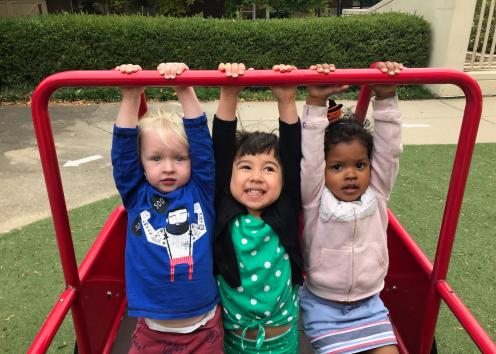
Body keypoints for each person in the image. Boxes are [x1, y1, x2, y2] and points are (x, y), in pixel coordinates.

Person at [112, 63, 223, 353]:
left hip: (204, 328)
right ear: (142, 163)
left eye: (180, 158)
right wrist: (130, 96)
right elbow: (123, 156)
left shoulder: (200, 191)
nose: (169, 168)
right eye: (156, 158)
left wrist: (184, 87)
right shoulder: (138, 195)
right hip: (152, 330)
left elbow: (202, 146)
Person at [299, 61, 404, 354]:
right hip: (323, 305)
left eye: (359, 165)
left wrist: (386, 98)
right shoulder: (315, 196)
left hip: (370, 303)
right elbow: (310, 155)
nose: (350, 174)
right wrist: (316, 102)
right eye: (337, 166)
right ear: (323, 169)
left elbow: (389, 150)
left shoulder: (377, 191)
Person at [212, 63, 303, 353]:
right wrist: (229, 96)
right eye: (246, 167)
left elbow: (291, 152)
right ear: (231, 174)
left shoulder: (285, 208)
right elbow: (221, 150)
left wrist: (286, 100)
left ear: (283, 177)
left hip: (282, 340)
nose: (255, 176)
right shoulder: (223, 206)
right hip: (233, 341)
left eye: (268, 169)